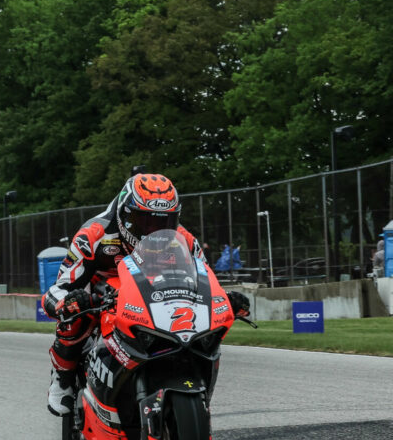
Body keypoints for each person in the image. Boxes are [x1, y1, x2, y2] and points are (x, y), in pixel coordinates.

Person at [40, 173, 250, 417]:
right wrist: (68, 301)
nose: (154, 231)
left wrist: (226, 299)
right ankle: (63, 377)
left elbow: (204, 280)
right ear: (125, 216)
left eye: (163, 223)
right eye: (146, 222)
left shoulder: (185, 239)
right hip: (100, 290)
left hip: (151, 292)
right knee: (73, 315)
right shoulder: (94, 234)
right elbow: (59, 288)